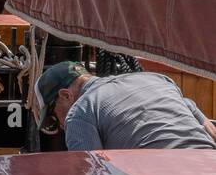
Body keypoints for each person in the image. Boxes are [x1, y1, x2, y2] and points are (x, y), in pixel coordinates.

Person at [36, 61, 216, 151]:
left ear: (66, 95)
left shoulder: (80, 111)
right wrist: (201, 118)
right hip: (206, 162)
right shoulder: (156, 79)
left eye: (53, 118)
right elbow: (187, 105)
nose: (60, 126)